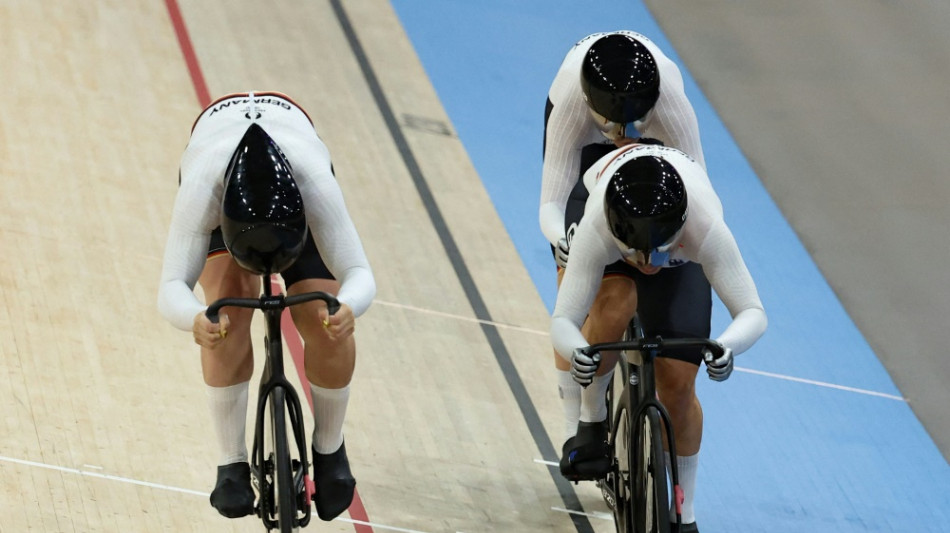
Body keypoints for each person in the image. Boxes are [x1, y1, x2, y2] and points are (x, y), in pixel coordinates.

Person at [157, 91, 376, 522]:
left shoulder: (314, 181)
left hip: (291, 198)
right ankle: (231, 463)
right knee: (225, 314)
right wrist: (196, 319)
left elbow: (358, 271)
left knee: (324, 315)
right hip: (230, 206)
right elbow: (170, 285)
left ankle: (330, 449)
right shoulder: (204, 184)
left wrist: (347, 306)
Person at [550, 141, 767, 532]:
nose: (648, 264)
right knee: (612, 308)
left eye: (659, 253)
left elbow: (752, 311)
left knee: (679, 386)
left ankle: (685, 510)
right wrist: (580, 350)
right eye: (637, 255)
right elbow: (563, 319)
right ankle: (591, 418)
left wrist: (727, 347)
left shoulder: (705, 227)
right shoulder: (597, 226)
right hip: (603, 212)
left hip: (679, 256)